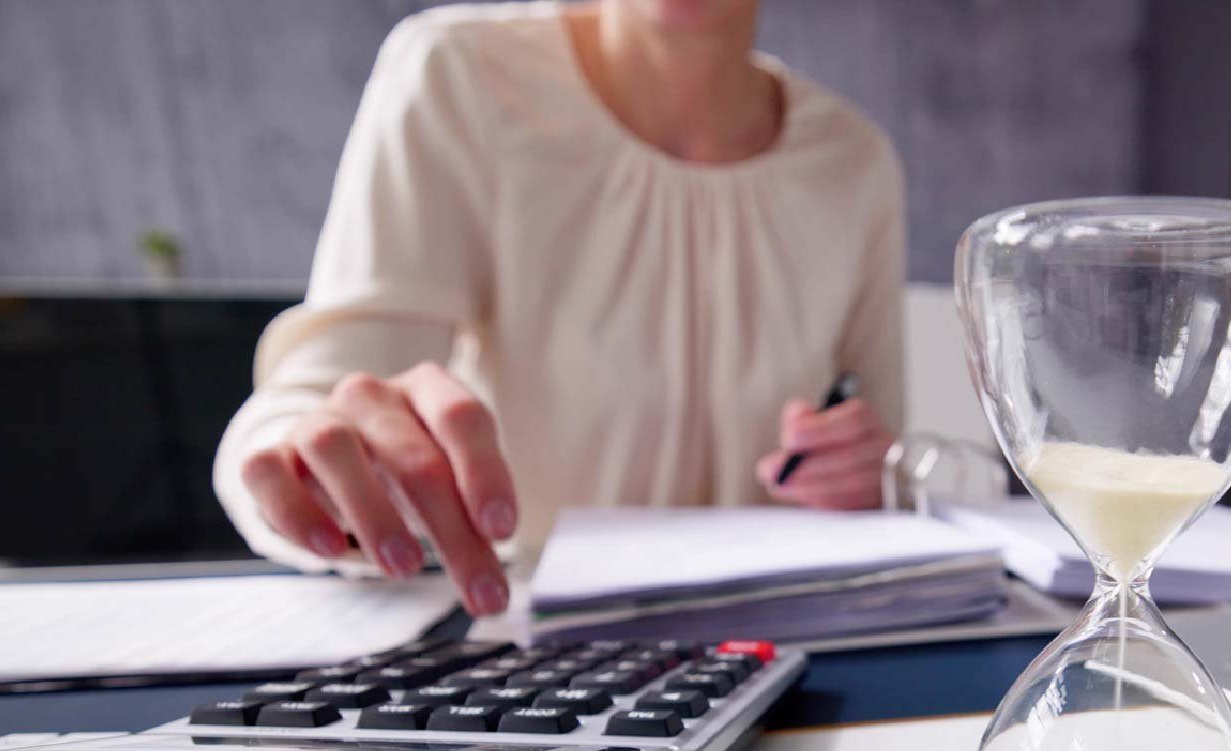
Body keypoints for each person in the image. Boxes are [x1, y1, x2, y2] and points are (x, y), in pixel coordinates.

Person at [213, 0, 905, 618]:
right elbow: (312, 403)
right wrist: (305, 467)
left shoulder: (854, 160)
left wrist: (866, 473)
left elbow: (896, 463)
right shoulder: (460, 75)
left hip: (788, 645)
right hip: (529, 652)